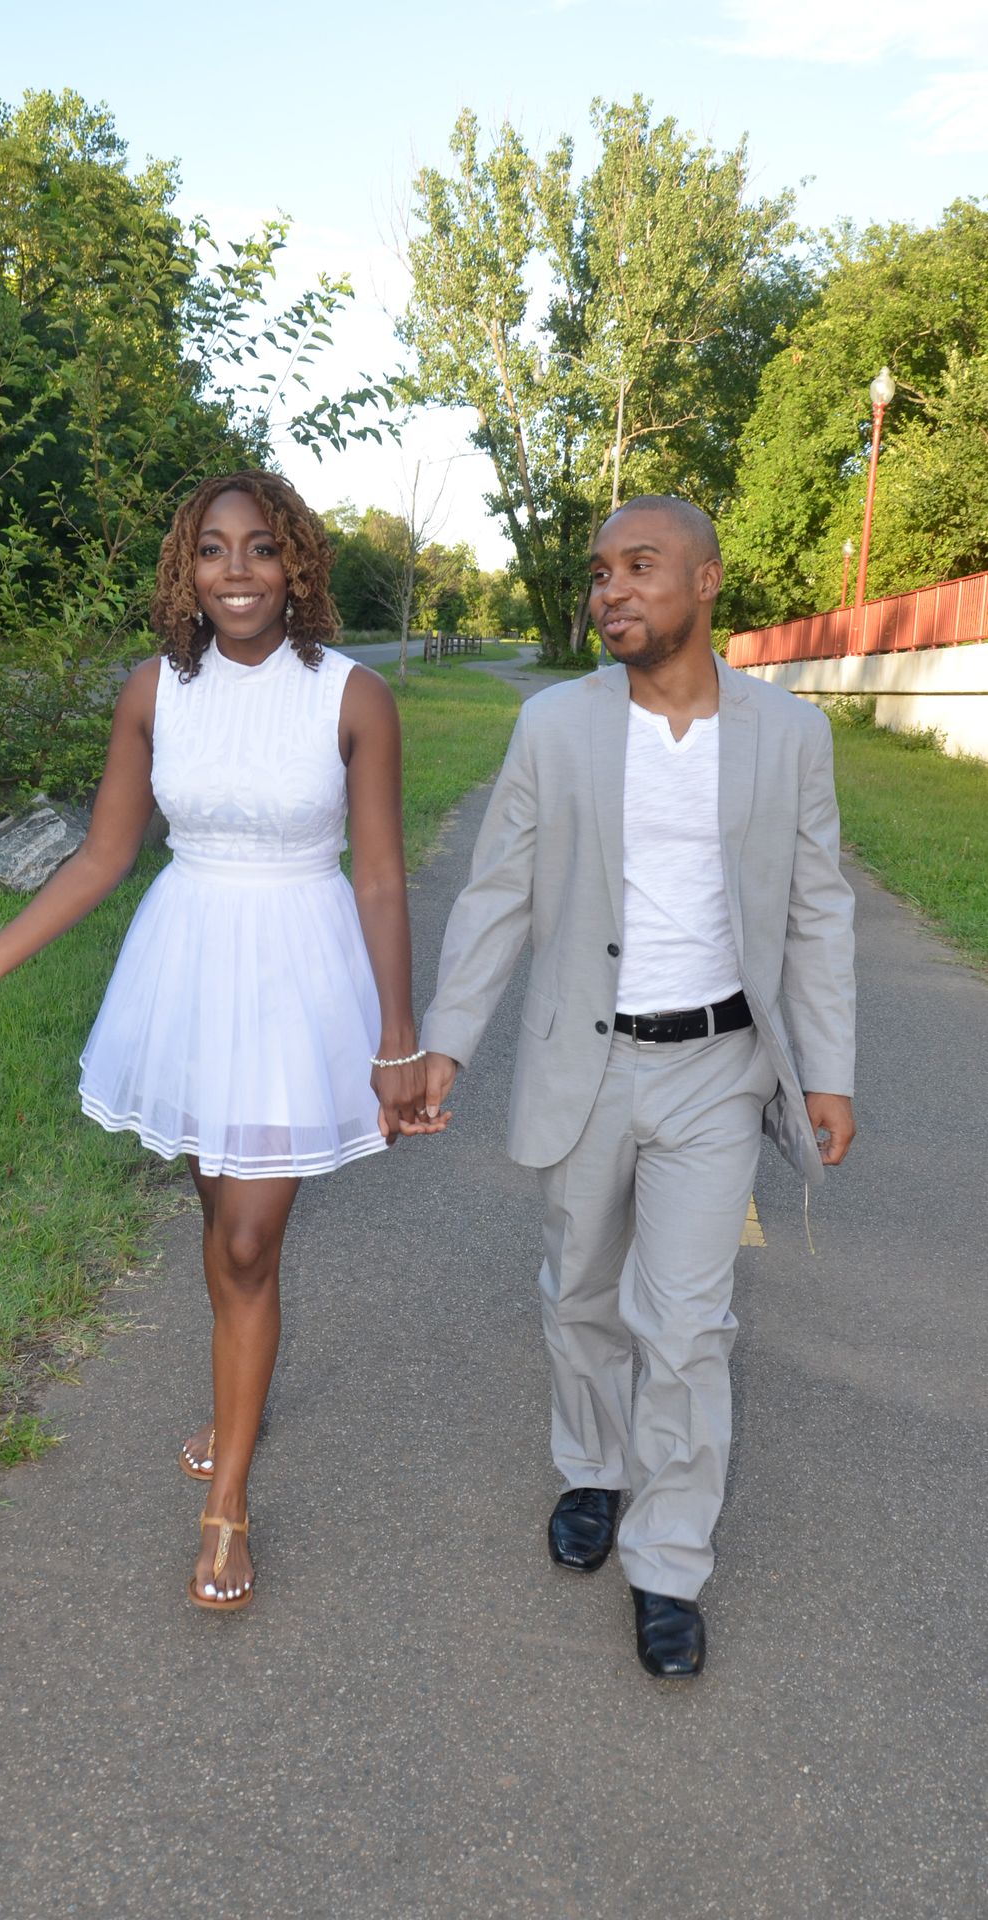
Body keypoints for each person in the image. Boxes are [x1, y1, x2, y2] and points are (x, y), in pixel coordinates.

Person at [0, 470, 428, 1614]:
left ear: (299, 564)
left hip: (300, 972)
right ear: (183, 571)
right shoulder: (154, 692)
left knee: (246, 1243)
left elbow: (380, 874)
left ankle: (227, 1506)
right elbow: (100, 857)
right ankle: (241, 1386)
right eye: (211, 550)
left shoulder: (353, 697)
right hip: (187, 965)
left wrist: (397, 1036)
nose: (235, 572)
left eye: (259, 549)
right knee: (215, 1216)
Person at [409, 495, 856, 1676]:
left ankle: (667, 1561)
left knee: (689, 1325)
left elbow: (817, 912)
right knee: (581, 1295)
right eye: (601, 571)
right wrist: (445, 1040)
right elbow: (498, 892)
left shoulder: (788, 734)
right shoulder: (555, 728)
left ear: (705, 582)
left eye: (639, 566)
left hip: (719, 1065)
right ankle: (593, 1471)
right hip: (586, 1061)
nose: (610, 589)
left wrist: (830, 1072)